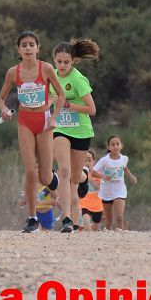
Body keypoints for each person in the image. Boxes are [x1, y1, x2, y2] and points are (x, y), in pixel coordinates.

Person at [0, 31, 64, 233]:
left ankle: (54, 179)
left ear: (37, 48)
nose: (27, 48)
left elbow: (60, 95)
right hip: (25, 120)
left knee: (44, 177)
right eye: (23, 45)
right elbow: (0, 99)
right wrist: (5, 110)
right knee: (29, 171)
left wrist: (54, 118)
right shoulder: (12, 72)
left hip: (44, 121)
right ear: (18, 49)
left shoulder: (47, 69)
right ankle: (32, 218)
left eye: (31, 44)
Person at [52, 39, 99, 233]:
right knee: (63, 171)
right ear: (54, 60)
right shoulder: (51, 76)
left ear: (73, 62)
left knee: (74, 176)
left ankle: (85, 175)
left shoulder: (78, 80)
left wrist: (68, 104)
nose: (62, 66)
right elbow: (47, 99)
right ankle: (67, 219)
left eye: (66, 62)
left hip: (80, 130)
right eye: (59, 61)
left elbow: (92, 109)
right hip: (60, 128)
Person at [92, 135, 138, 230]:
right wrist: (103, 176)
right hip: (106, 192)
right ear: (108, 147)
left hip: (119, 190)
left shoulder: (124, 158)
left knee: (119, 217)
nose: (115, 146)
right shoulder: (104, 160)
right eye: (112, 145)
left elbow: (124, 168)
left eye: (117, 144)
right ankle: (109, 235)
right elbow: (93, 172)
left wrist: (131, 177)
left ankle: (120, 237)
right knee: (109, 221)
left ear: (121, 146)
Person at [78, 150, 103, 231]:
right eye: (84, 161)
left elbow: (100, 188)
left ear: (94, 161)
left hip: (97, 205)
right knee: (87, 227)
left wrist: (90, 180)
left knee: (96, 230)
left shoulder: (98, 174)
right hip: (84, 204)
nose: (87, 163)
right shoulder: (79, 175)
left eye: (89, 160)